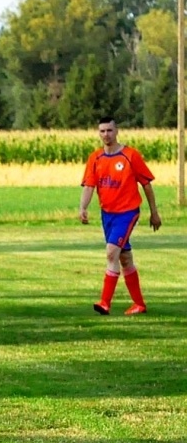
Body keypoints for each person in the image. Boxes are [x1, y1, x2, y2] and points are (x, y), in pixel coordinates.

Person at [79, 117, 160, 316]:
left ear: (117, 132)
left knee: (111, 252)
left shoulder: (130, 155)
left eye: (109, 130)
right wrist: (83, 207)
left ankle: (105, 303)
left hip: (128, 212)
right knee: (124, 258)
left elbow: (146, 185)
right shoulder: (95, 158)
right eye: (102, 131)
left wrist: (154, 212)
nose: (106, 135)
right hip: (108, 215)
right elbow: (90, 185)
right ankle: (139, 304)